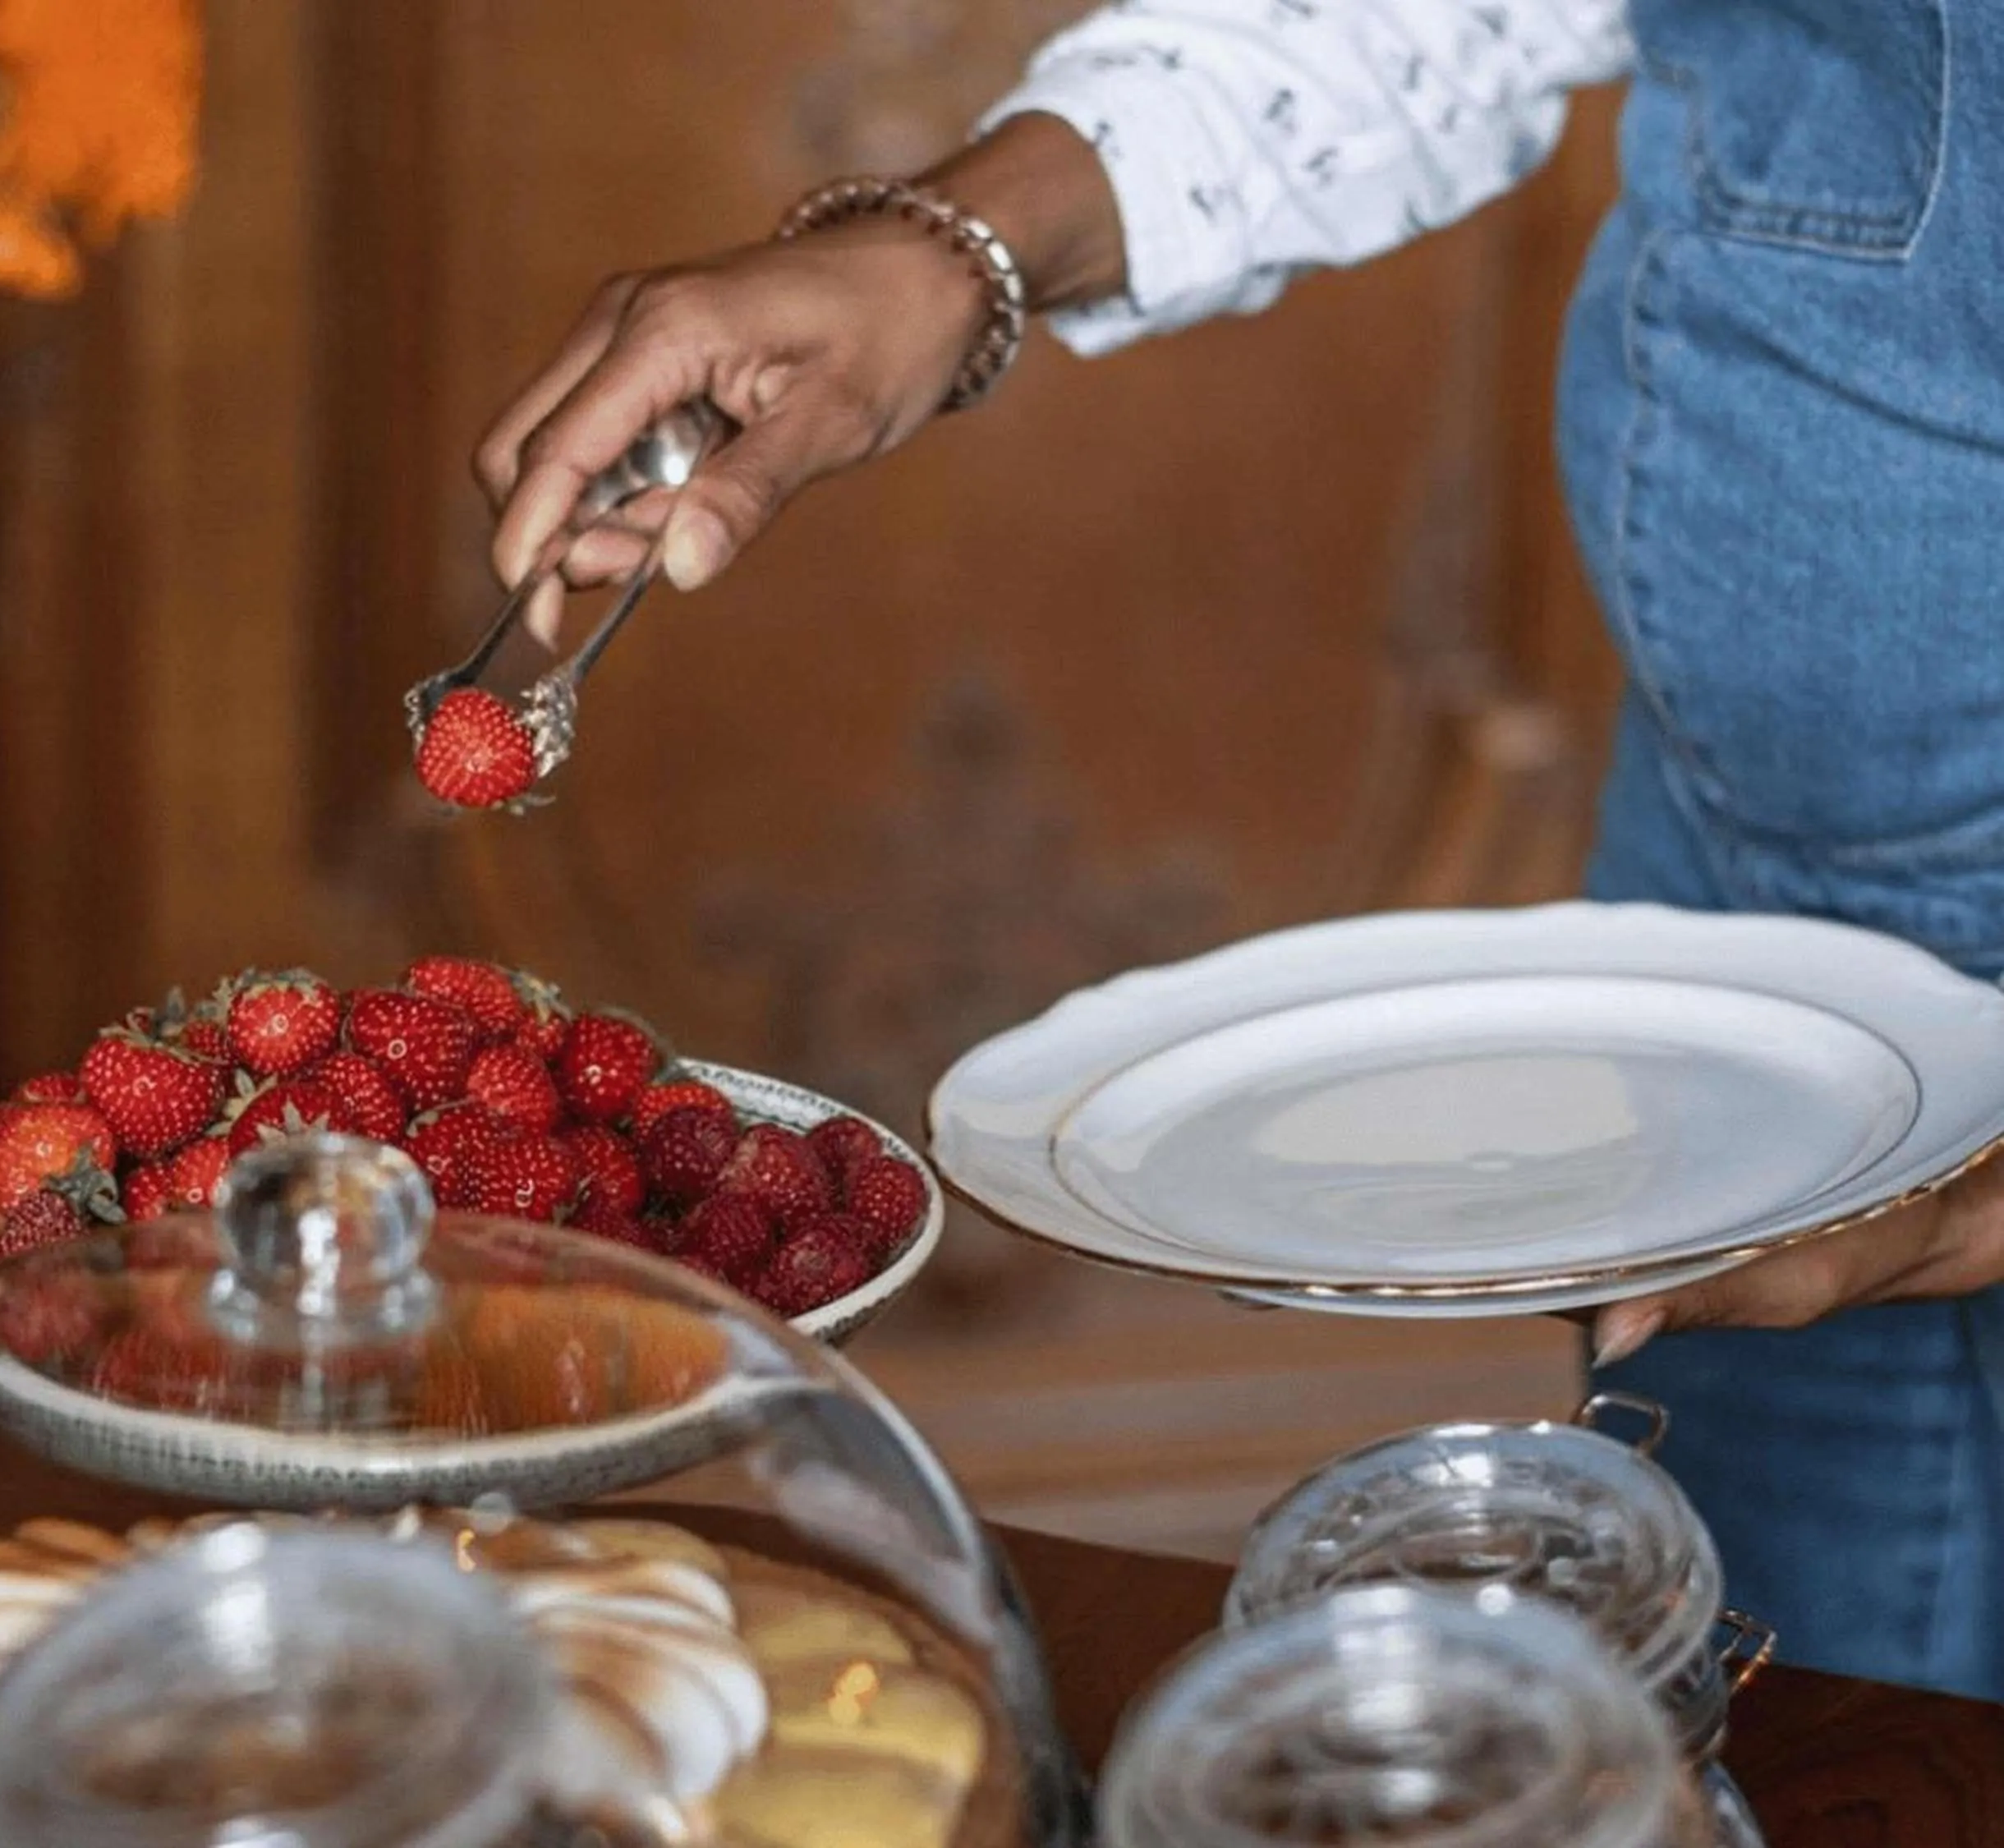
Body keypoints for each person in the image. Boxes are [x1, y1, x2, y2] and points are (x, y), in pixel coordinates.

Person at [471, 0, 2004, 1703]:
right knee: (1799, 1697)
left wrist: (1978, 1215)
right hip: (1748, 913)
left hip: (1917, 1113)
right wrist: (951, 250)